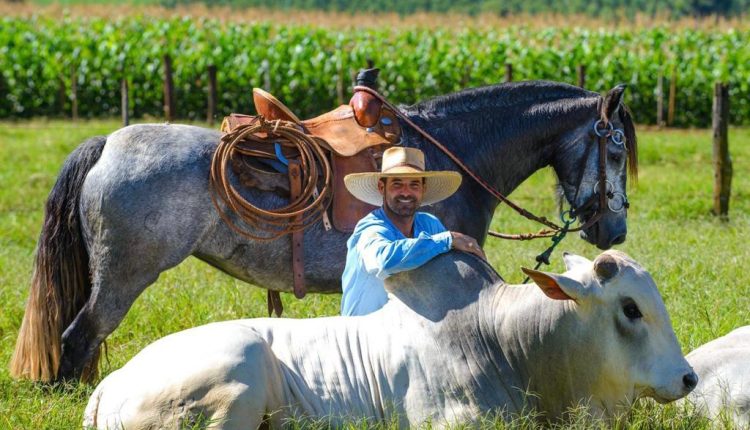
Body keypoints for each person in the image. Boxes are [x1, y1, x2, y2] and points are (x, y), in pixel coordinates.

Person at [340, 147, 486, 316]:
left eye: (414, 184)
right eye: (397, 184)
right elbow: (384, 261)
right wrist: (447, 240)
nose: (406, 192)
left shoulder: (429, 224)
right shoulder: (371, 227)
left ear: (423, 190)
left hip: (411, 330)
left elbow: (448, 270)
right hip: (363, 334)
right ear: (382, 187)